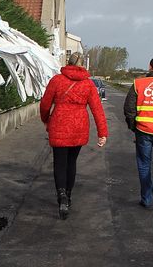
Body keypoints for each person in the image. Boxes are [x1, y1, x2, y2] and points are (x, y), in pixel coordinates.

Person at [40, 52, 108, 219]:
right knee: (71, 162)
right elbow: (97, 109)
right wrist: (102, 133)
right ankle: (68, 196)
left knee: (59, 163)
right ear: (82, 64)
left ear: (68, 62)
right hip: (79, 127)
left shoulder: (57, 80)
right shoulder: (88, 84)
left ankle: (61, 194)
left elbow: (45, 104)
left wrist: (46, 119)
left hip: (59, 125)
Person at [123, 58, 153, 209]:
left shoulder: (138, 83)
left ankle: (147, 199)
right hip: (143, 130)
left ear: (150, 66)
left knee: (144, 165)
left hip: (143, 130)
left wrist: (133, 126)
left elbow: (129, 108)